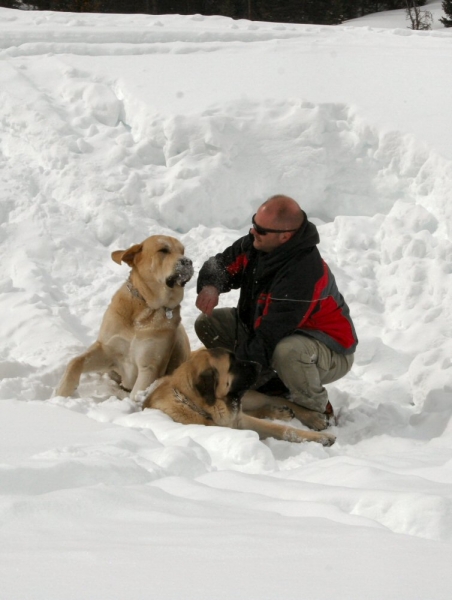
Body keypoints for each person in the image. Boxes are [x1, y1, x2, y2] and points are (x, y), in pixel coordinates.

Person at [195, 195, 358, 428]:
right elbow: (218, 265)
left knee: (287, 351)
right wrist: (212, 285)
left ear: (285, 236)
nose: (253, 232)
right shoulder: (257, 243)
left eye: (261, 230)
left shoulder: (303, 273)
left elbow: (269, 338)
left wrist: (233, 379)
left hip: (329, 352)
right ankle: (273, 384)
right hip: (270, 331)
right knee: (209, 322)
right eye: (254, 224)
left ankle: (315, 409)